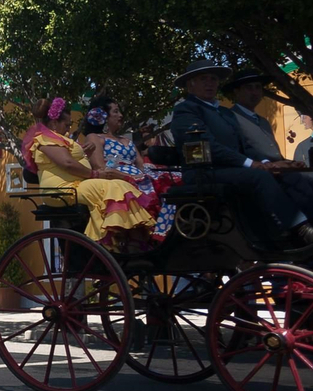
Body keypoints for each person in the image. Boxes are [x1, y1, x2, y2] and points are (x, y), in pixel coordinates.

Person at [170, 60, 313, 251]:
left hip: (233, 170)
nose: (210, 83)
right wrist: (251, 164)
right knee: (259, 176)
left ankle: (308, 221)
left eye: (213, 79)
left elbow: (244, 146)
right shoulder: (186, 110)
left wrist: (268, 164)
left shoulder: (224, 113)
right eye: (203, 79)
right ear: (190, 85)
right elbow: (206, 146)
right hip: (203, 172)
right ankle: (299, 229)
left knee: (292, 176)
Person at [23, 96, 154, 246]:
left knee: (121, 185)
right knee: (114, 187)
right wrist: (95, 174)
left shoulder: (60, 138)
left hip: (76, 185)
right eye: (67, 125)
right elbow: (67, 163)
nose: (69, 128)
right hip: (63, 189)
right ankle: (117, 235)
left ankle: (128, 236)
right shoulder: (45, 139)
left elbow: (70, 159)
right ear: (53, 123)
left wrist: (86, 153)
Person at [81, 96, 177, 240]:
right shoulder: (95, 137)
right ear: (103, 116)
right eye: (116, 111)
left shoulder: (126, 140)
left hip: (140, 178)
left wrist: (146, 176)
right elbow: (101, 168)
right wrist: (130, 178)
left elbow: (141, 165)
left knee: (170, 184)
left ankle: (165, 230)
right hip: (119, 180)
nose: (121, 115)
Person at [222, 68, 285, 162]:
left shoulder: (264, 122)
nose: (255, 93)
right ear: (237, 92)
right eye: (249, 88)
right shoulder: (230, 118)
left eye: (258, 87)